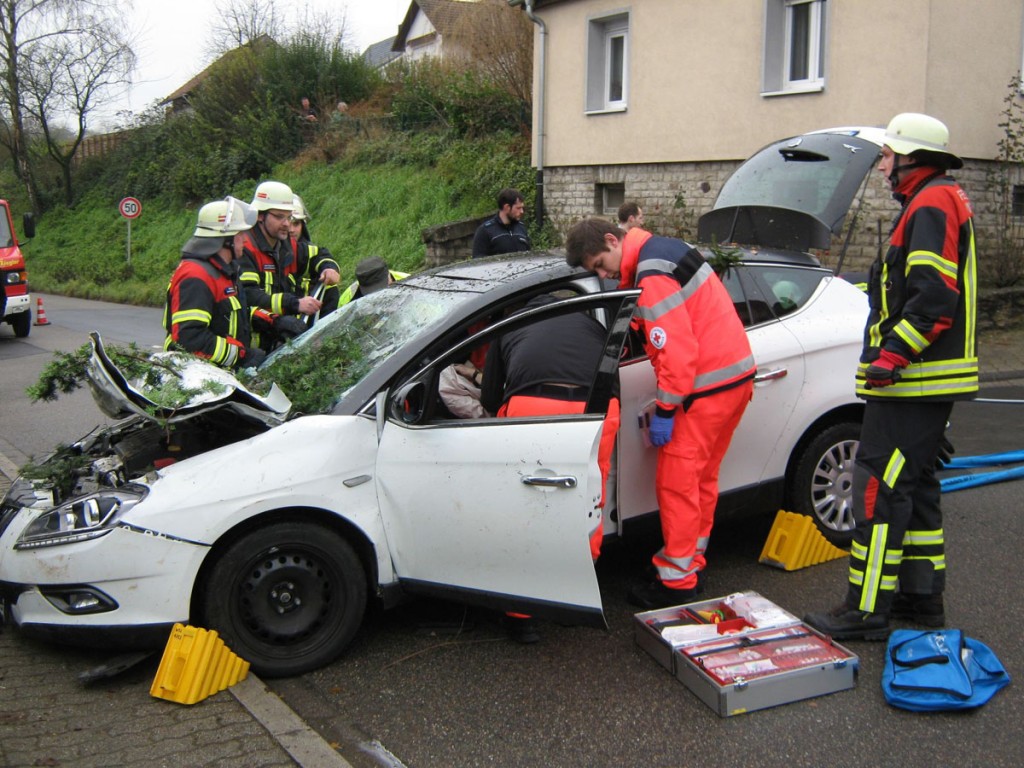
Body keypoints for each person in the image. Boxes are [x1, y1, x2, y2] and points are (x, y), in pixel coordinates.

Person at [804, 113, 977, 641]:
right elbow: (914, 289)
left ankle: (866, 608)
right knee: (916, 486)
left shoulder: (930, 204)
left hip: (912, 381)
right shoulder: (935, 201)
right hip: (924, 382)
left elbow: (932, 300)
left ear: (912, 159)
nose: (882, 167)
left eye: (886, 157)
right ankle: (921, 599)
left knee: (876, 489)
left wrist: (890, 357)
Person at [565, 218, 755, 610]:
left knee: (677, 484)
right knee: (701, 481)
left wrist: (667, 408)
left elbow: (677, 353)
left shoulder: (651, 275)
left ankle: (677, 580)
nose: (603, 274)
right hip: (733, 380)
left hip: (702, 390)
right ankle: (690, 559)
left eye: (601, 264)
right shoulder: (665, 250)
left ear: (611, 240)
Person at [471, 293, 621, 641]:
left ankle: (522, 616)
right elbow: (613, 379)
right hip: (597, 411)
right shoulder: (593, 325)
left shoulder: (509, 327)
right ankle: (574, 600)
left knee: (526, 510)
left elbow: (491, 399)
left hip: (533, 407)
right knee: (589, 503)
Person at [163, 197, 266, 370]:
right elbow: (190, 340)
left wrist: (271, 321)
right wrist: (241, 355)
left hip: (217, 375)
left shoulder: (225, 272)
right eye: (240, 234)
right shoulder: (196, 276)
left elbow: (230, 316)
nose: (245, 240)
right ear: (226, 240)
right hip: (196, 378)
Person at [239, 180, 319, 352]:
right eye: (279, 216)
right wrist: (293, 304)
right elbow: (249, 295)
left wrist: (328, 267)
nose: (287, 224)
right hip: (253, 344)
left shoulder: (285, 244)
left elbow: (317, 254)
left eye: (289, 217)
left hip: (279, 340)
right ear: (260, 215)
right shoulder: (245, 248)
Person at [287, 194, 341, 319]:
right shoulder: (266, 253)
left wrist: (329, 269)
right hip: (275, 319)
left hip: (304, 317)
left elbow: (320, 256)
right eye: (288, 223)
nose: (291, 230)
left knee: (330, 287)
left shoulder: (306, 249)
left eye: (296, 224)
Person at [471, 188, 531, 258]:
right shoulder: (485, 231)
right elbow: (478, 261)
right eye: (518, 208)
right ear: (507, 207)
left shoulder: (521, 228)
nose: (522, 211)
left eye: (522, 208)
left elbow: (528, 257)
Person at [337, 256, 409, 306]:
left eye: (381, 287)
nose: (377, 294)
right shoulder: (346, 300)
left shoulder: (409, 282)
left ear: (388, 275)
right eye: (370, 291)